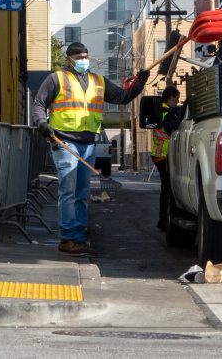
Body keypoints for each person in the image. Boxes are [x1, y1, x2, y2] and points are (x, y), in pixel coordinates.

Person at [33, 42, 149, 256]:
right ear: (69, 60)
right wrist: (42, 124)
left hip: (87, 144)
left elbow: (122, 97)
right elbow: (39, 103)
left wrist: (139, 84)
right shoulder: (56, 79)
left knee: (82, 192)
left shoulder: (98, 81)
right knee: (68, 192)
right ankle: (68, 239)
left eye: (85, 57)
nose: (82, 61)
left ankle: (78, 236)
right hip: (64, 142)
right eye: (78, 58)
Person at [152, 85, 182, 230]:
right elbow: (172, 131)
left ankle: (163, 220)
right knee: (168, 189)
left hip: (159, 154)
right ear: (170, 98)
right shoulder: (167, 113)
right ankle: (164, 220)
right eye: (176, 100)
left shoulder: (160, 110)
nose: (177, 102)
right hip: (164, 154)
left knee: (166, 188)